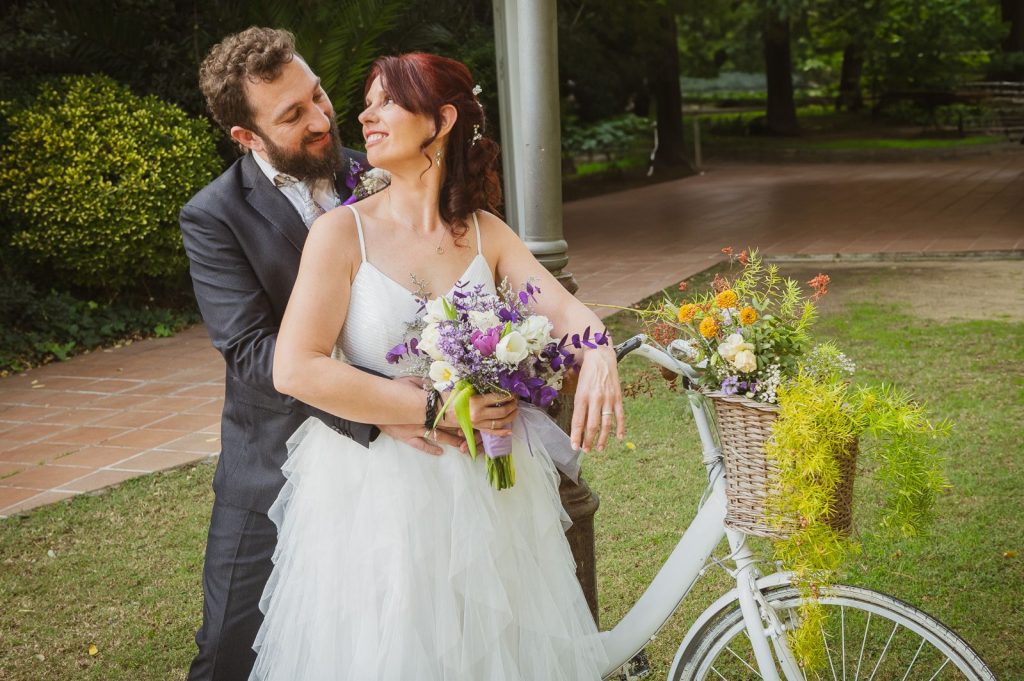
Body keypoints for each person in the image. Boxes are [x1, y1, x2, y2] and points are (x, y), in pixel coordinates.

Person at [251, 53, 624, 680]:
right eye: (365, 102)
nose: (364, 115)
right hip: (378, 493)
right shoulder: (342, 234)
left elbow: (564, 311)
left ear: (441, 120)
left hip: (490, 489)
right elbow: (295, 369)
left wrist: (603, 351)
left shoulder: (485, 233)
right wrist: (440, 407)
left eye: (385, 101)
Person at [180, 29, 465, 681]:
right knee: (228, 651)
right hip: (272, 463)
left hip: (406, 470)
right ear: (245, 137)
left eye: (317, 95)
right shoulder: (213, 216)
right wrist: (377, 407)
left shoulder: (385, 169)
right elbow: (254, 353)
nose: (321, 118)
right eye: (292, 114)